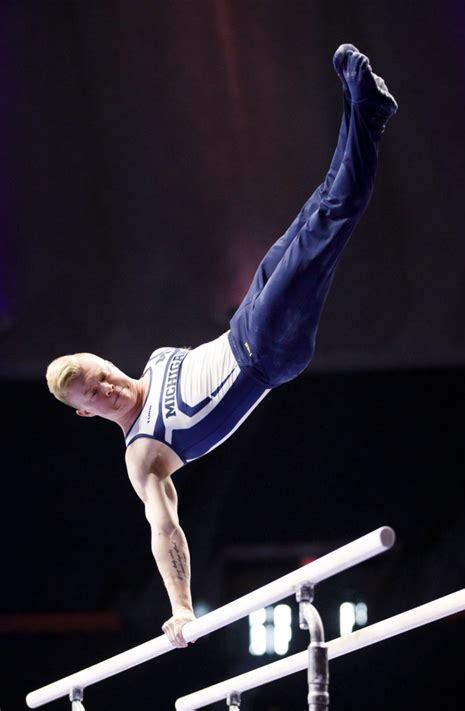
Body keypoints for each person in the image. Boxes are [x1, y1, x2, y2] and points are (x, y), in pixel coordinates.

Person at [46, 44, 397, 649]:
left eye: (100, 375)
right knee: (330, 222)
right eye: (95, 398)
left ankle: (371, 109)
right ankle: (364, 110)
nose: (107, 388)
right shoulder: (143, 454)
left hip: (246, 324)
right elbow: (165, 527)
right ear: (88, 414)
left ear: (104, 362)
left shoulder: (154, 362)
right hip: (266, 353)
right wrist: (181, 608)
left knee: (319, 205)